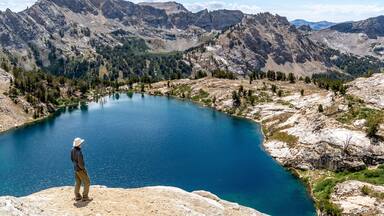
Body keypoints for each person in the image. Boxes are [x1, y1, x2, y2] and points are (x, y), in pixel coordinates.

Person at [70, 137, 92, 202]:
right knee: (87, 182)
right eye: (81, 143)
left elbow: (72, 159)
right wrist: (83, 169)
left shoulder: (72, 150)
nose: (81, 144)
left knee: (78, 182)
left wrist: (75, 165)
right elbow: (81, 164)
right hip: (80, 169)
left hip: (75, 169)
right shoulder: (79, 152)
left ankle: (77, 196)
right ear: (79, 144)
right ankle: (85, 197)